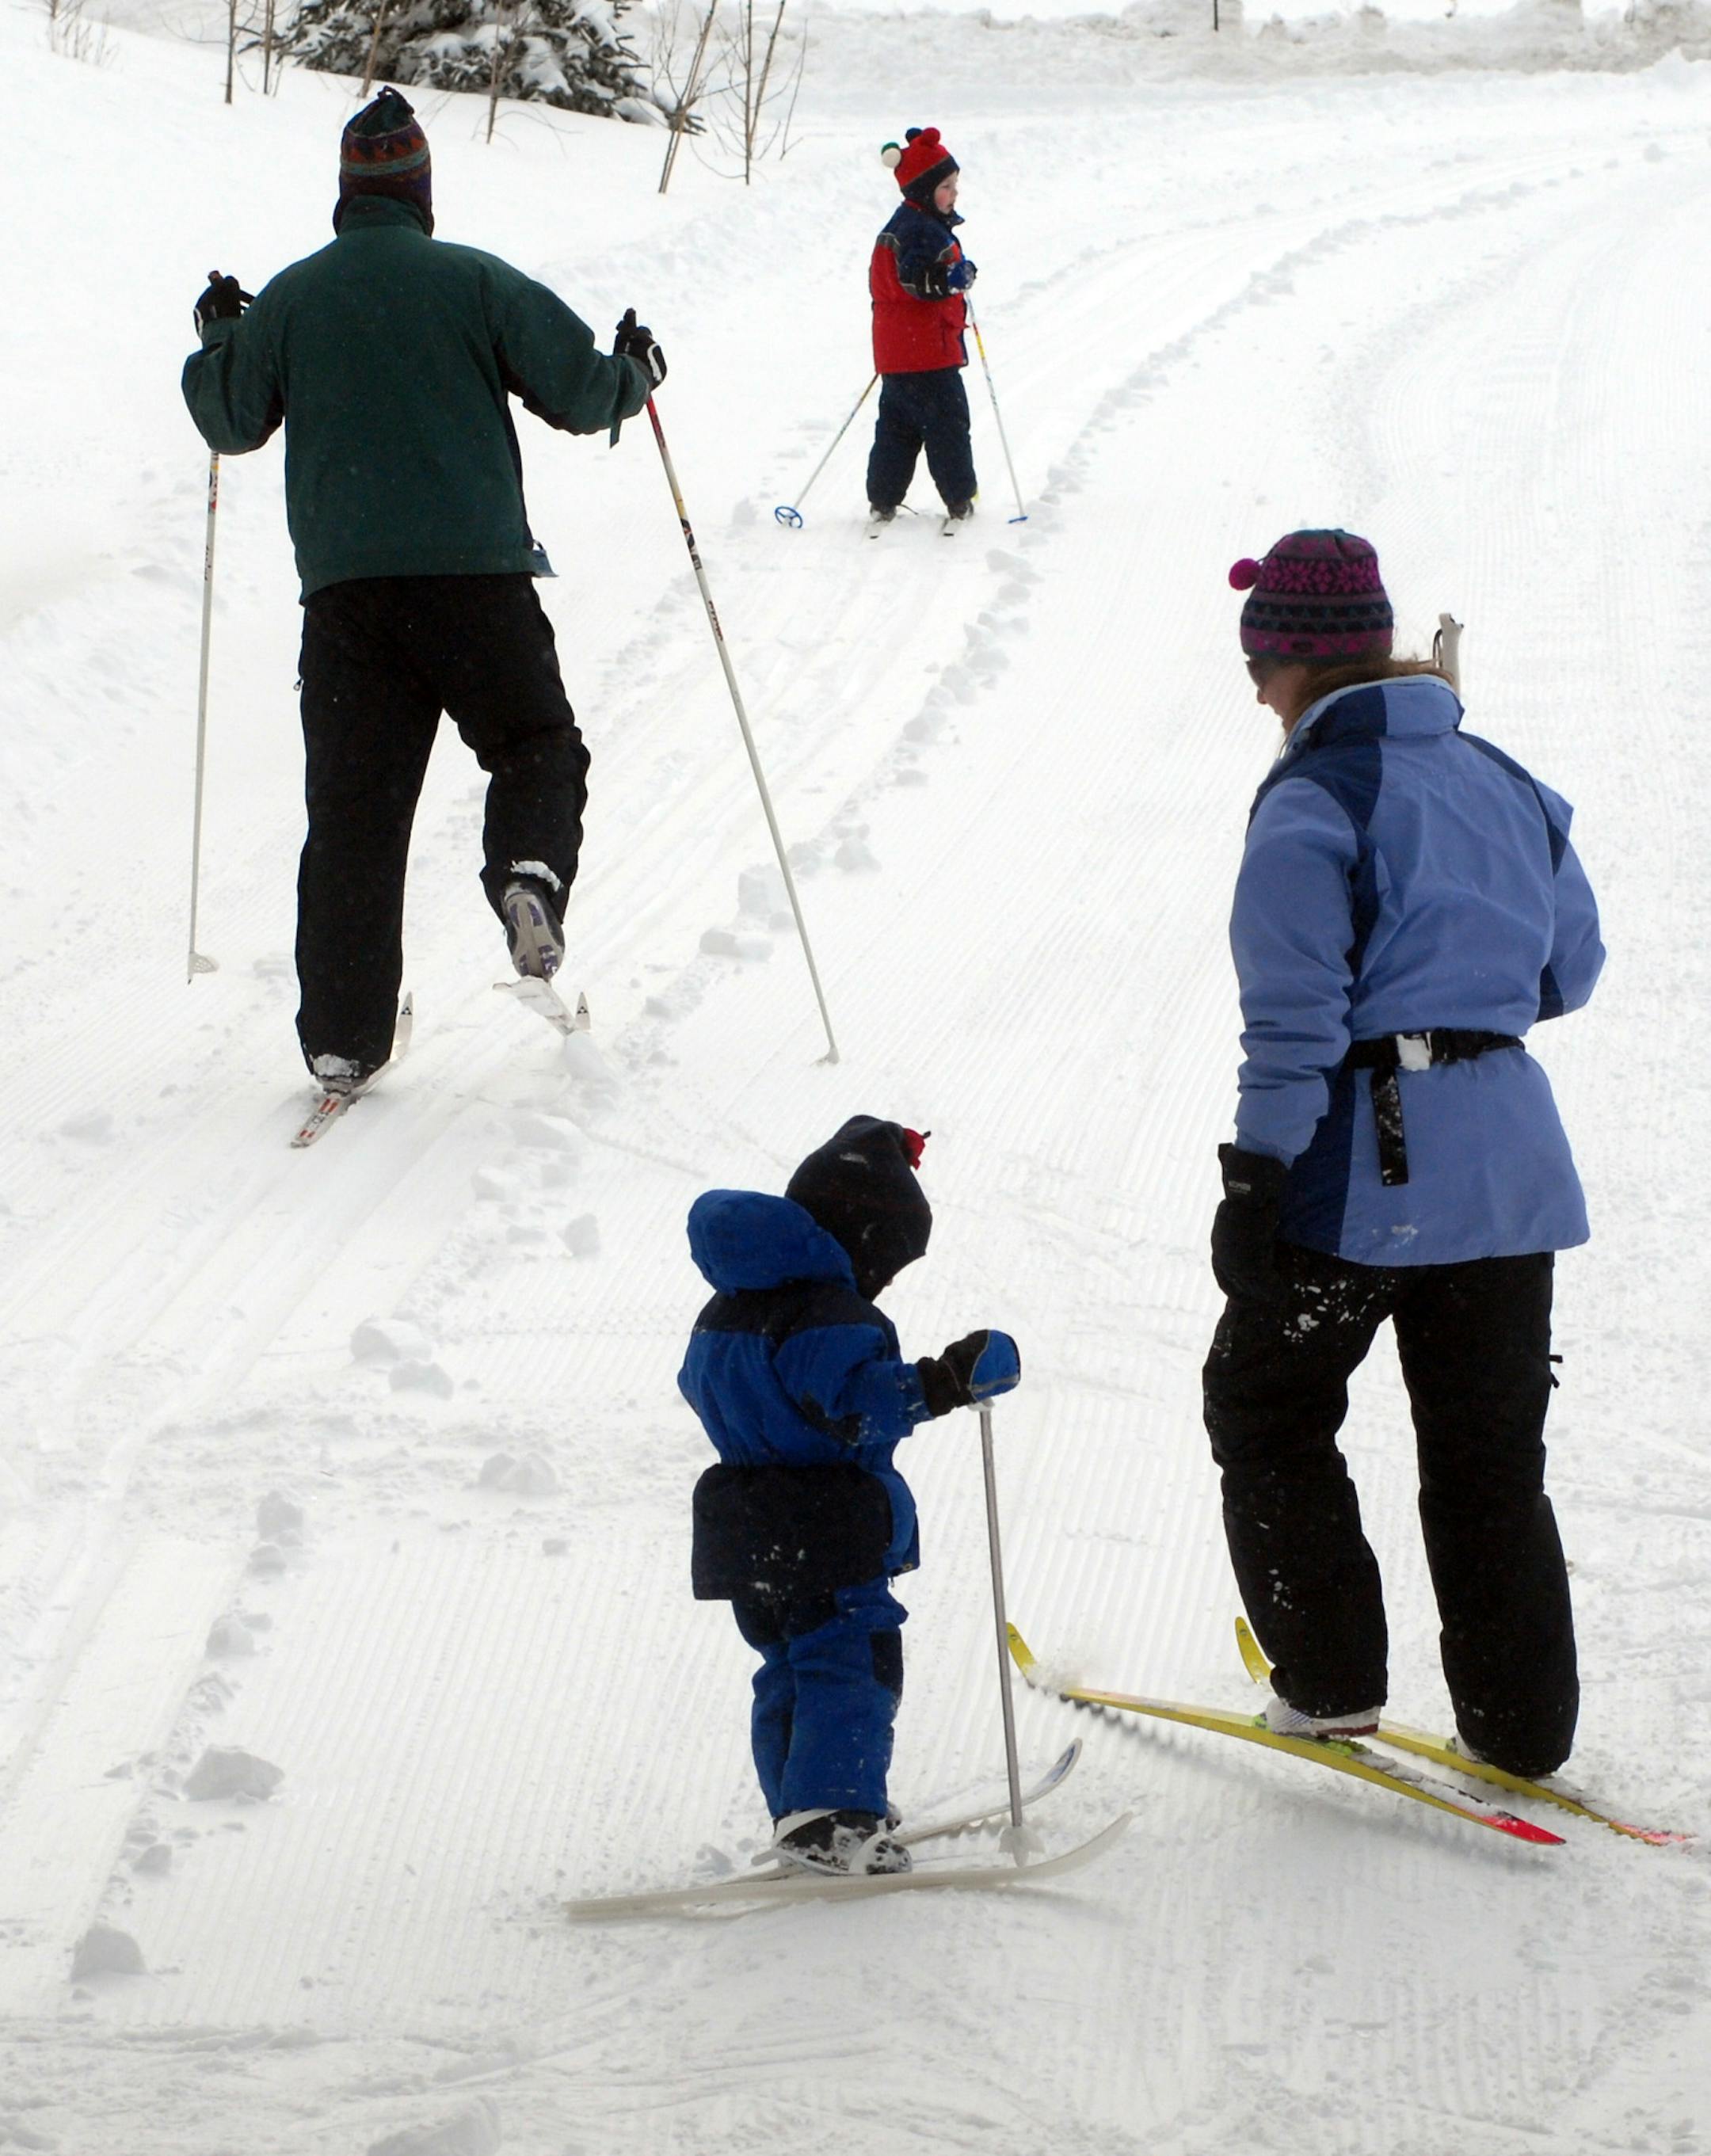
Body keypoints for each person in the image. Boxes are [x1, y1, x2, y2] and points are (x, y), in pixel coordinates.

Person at [1202, 529, 1603, 1781]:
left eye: (1257, 661)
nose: (1253, 689)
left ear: (1301, 662)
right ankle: (1522, 1727)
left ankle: (1324, 1684)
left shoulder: (1317, 799)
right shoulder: (1507, 780)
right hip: (1514, 1173)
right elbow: (1568, 969)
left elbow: (1296, 1020)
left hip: (1361, 1176)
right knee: (1490, 1460)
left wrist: (1256, 1178)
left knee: (1266, 1406)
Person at [181, 88, 666, 1096]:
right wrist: (634, 372)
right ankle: (528, 872)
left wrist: (223, 337)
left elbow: (229, 421)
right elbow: (579, 392)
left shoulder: (293, 299)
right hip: (477, 584)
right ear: (420, 191)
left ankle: (344, 1041)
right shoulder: (474, 281)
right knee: (534, 744)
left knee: (355, 814)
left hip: (351, 601)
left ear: (346, 195)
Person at [679, 1117, 1020, 1876]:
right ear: (860, 1235)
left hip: (745, 1518)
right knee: (852, 1664)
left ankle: (805, 1806)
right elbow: (858, 1402)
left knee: (788, 1666)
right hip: (824, 1521)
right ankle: (832, 1822)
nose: (885, 1280)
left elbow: (712, 1392)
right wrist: (947, 1381)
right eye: (887, 1261)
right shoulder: (826, 1314)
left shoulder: (728, 1308)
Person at [867, 128, 978, 531]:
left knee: (897, 430)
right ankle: (959, 498)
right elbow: (916, 279)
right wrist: (951, 278)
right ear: (925, 189)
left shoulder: (906, 224)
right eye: (947, 186)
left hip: (898, 356)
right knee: (948, 427)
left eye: (955, 185)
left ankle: (883, 498)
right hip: (929, 352)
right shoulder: (920, 230)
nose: (954, 194)